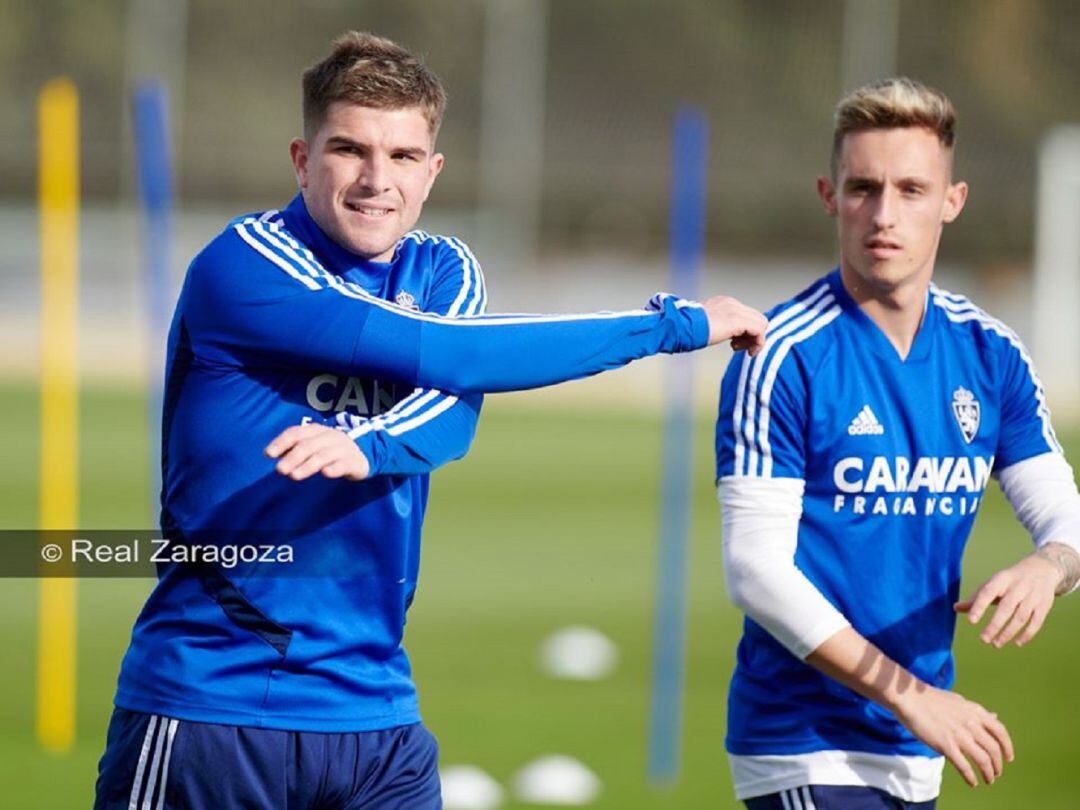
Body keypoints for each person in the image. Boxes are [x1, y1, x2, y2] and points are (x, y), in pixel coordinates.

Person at [94, 31, 767, 810]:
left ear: (433, 171)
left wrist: (367, 445)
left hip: (377, 720)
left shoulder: (443, 269)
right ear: (301, 159)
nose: (377, 180)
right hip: (212, 711)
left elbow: (449, 409)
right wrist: (674, 325)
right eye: (349, 149)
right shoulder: (246, 264)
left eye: (404, 156)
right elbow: (444, 352)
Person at [715, 77, 1080, 810]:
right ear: (829, 195)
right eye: (863, 188)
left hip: (916, 748)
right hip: (805, 742)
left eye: (912, 189)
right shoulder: (780, 354)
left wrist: (1051, 565)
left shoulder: (991, 353)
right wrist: (912, 697)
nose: (884, 214)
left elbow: (1064, 519)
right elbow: (755, 570)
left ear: (953, 201)